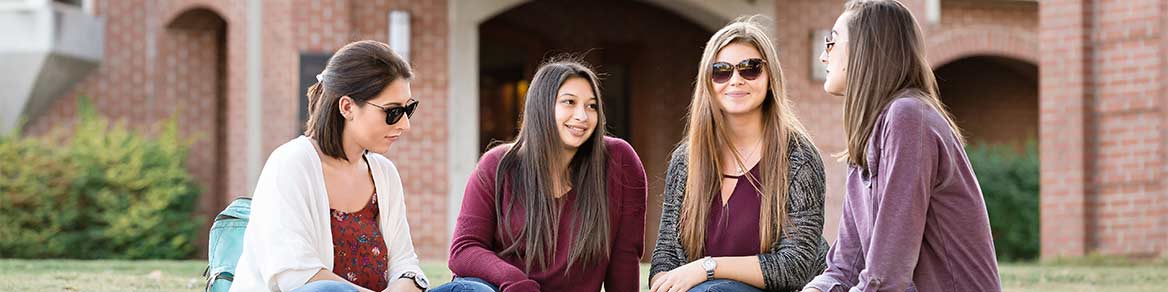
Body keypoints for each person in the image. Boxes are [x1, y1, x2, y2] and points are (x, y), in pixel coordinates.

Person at [802, 1, 1001, 291]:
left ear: (866, 48)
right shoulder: (867, 136)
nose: (823, 55)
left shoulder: (909, 118)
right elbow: (844, 268)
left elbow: (886, 276)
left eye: (831, 42)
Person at [231, 40, 429, 292]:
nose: (404, 125)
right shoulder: (291, 164)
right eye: (392, 112)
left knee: (469, 289)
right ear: (347, 107)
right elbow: (296, 274)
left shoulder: (384, 173)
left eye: (408, 110)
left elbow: (405, 263)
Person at [649, 17, 830, 292]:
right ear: (708, 83)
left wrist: (707, 268)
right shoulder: (686, 160)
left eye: (750, 69)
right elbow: (665, 257)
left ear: (770, 78)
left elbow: (794, 266)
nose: (735, 80)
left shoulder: (798, 158)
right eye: (721, 71)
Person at [436, 58, 648, 292]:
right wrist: (515, 281)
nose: (582, 116)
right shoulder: (497, 165)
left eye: (591, 106)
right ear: (541, 106)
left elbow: (624, 257)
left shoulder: (619, 161)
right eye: (569, 102)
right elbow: (464, 249)